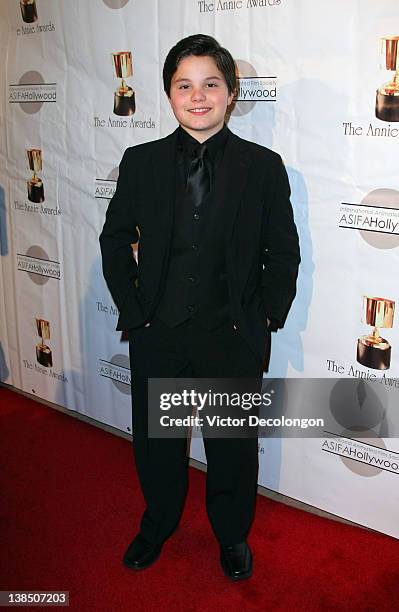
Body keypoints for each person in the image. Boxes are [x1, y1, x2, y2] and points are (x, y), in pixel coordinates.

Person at [99, 34, 300, 580]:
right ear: (168, 95)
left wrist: (265, 316)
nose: (198, 96)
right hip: (159, 332)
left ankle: (231, 535)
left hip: (229, 333)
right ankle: (158, 523)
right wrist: (135, 309)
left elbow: (282, 249)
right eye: (184, 85)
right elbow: (114, 240)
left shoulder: (263, 166)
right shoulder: (140, 162)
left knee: (231, 448)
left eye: (211, 84)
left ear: (231, 94)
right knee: (158, 446)